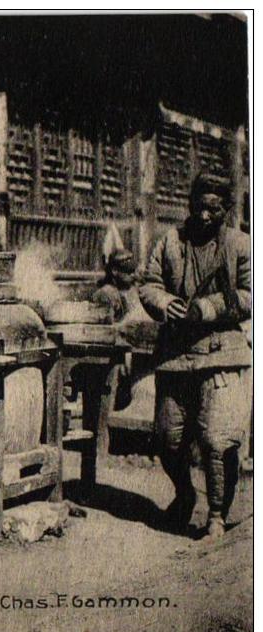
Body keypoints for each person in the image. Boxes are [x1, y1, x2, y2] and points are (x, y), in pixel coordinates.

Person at [139, 172, 251, 540]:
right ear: (190, 204)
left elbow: (252, 294)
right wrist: (163, 302)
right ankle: (185, 495)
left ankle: (217, 515)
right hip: (176, 355)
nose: (204, 216)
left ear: (226, 210)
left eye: (213, 209)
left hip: (222, 355)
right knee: (167, 438)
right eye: (199, 207)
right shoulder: (171, 241)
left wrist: (209, 307)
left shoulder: (241, 245)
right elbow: (150, 283)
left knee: (216, 441)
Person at [91, 249, 146, 323]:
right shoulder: (107, 292)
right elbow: (107, 321)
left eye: (134, 271)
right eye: (128, 272)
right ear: (114, 271)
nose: (133, 275)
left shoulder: (136, 289)